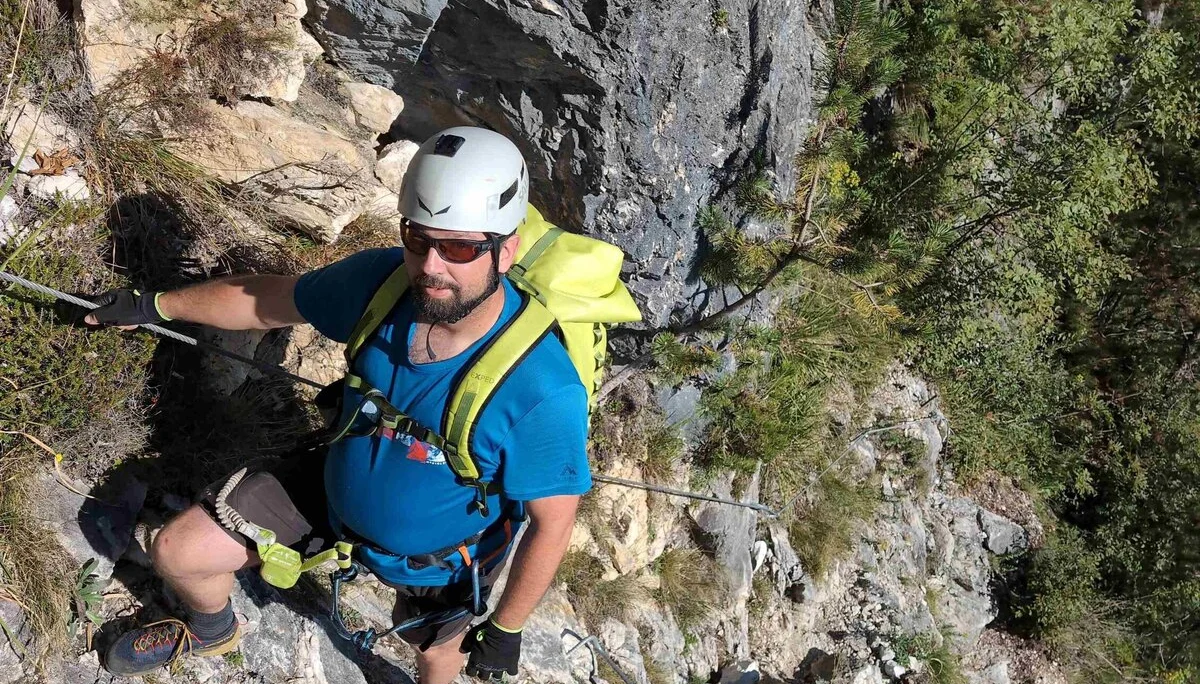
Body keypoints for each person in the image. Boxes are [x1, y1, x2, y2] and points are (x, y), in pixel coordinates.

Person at [89, 127, 591, 683]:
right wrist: (155, 305)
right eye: (418, 238)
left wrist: (507, 628)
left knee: (437, 656)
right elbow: (269, 300)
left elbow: (553, 522)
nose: (430, 266)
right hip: (330, 490)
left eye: (458, 248)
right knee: (179, 553)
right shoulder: (383, 285)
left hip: (441, 559)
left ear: (507, 248)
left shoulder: (541, 387)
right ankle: (211, 631)